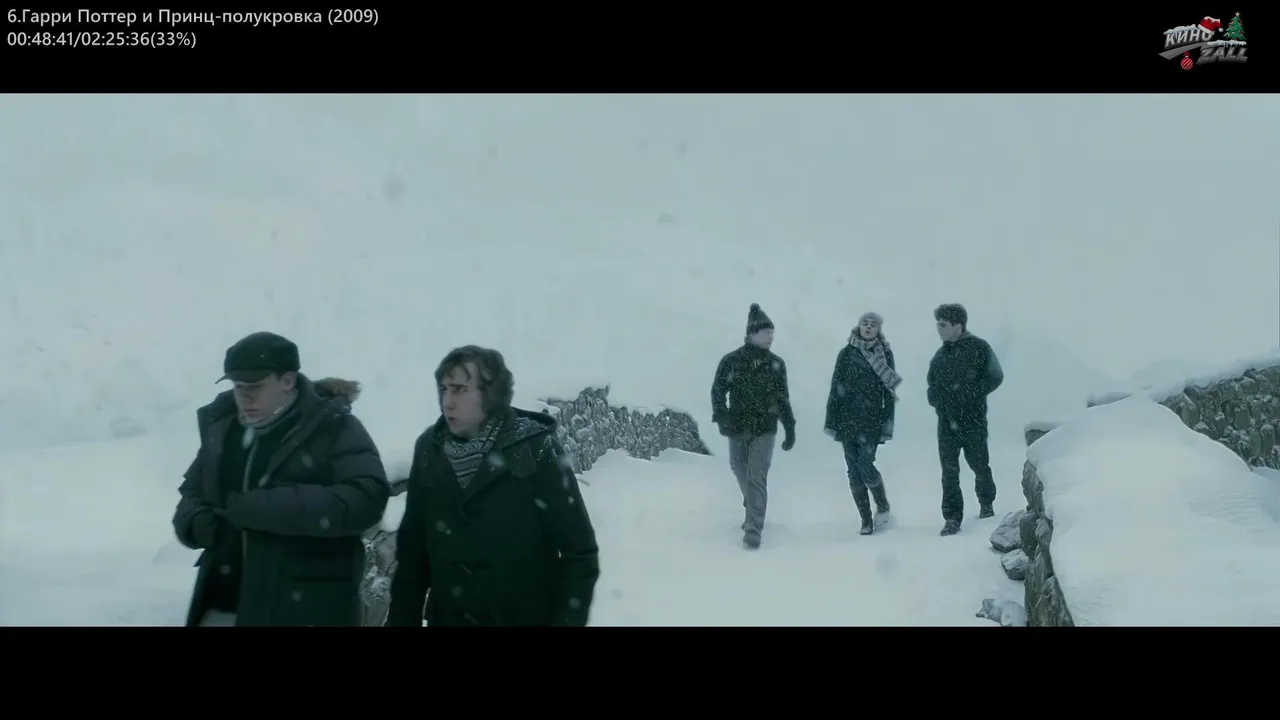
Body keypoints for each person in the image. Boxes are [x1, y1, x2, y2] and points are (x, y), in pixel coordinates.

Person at [172, 331, 391, 626]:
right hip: (223, 605)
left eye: (255, 386)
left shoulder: (333, 427)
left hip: (305, 608)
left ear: (288, 381)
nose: (244, 397)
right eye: (238, 387)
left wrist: (267, 507)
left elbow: (366, 498)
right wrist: (196, 524)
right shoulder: (224, 430)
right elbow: (191, 494)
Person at [386, 345, 600, 626]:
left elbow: (579, 553)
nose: (448, 401)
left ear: (491, 393)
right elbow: (413, 557)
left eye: (460, 390)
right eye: (444, 389)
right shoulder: (430, 449)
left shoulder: (535, 450)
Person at [710, 303, 797, 550]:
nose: (771, 337)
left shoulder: (776, 364)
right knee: (739, 467)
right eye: (766, 332)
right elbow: (718, 391)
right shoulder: (731, 361)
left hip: (765, 427)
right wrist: (722, 418)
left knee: (756, 474)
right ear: (752, 333)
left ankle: (753, 528)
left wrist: (789, 427)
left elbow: (782, 398)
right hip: (737, 425)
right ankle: (753, 503)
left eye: (772, 333)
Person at [926, 304, 1004, 536]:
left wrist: (973, 393)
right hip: (946, 424)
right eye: (938, 324)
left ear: (958, 325)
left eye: (943, 324)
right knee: (949, 472)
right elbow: (931, 385)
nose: (939, 329)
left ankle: (986, 504)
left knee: (979, 465)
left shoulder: (979, 348)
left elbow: (996, 376)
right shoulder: (940, 356)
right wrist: (935, 398)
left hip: (973, 420)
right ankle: (952, 518)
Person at [824, 311, 901, 536]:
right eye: (864, 323)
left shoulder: (884, 354)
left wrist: (888, 423)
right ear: (859, 326)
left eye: (873, 324)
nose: (868, 327)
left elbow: (889, 393)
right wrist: (832, 420)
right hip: (847, 420)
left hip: (872, 420)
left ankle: (882, 505)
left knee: (865, 465)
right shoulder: (847, 353)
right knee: (853, 471)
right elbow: (836, 386)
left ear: (878, 329)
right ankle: (866, 520)